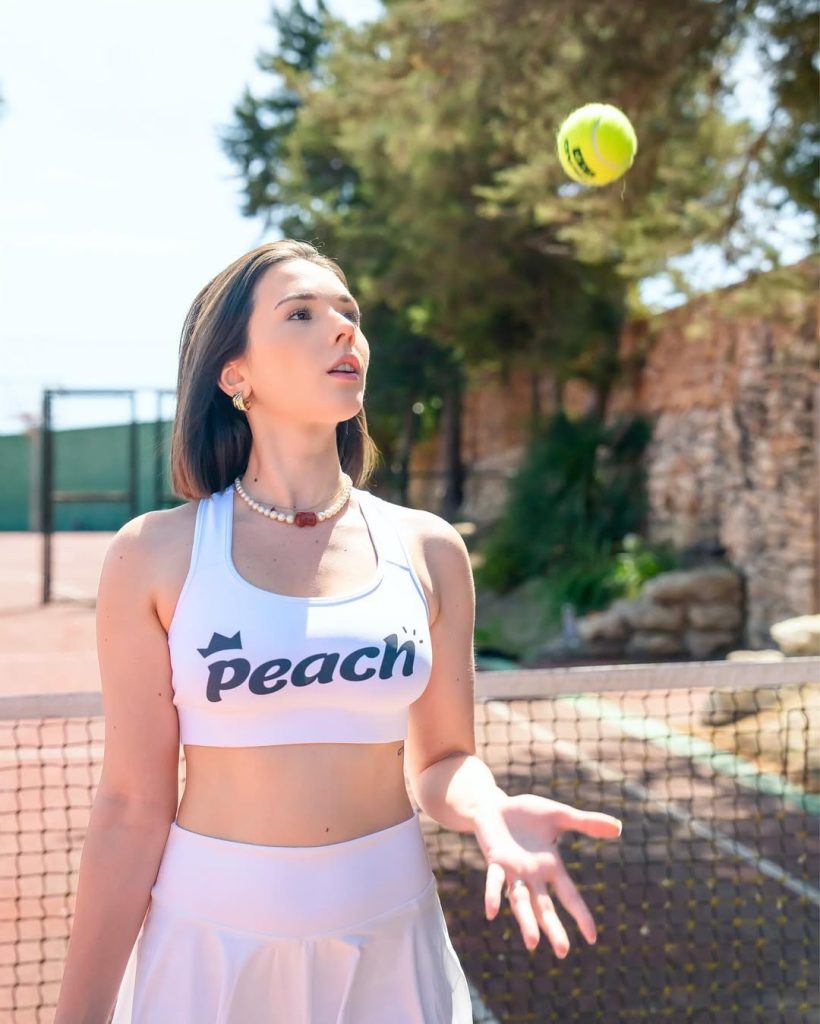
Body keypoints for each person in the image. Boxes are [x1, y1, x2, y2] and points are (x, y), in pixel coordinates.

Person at [53, 239, 622, 1023]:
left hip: (391, 939)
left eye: (349, 313)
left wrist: (486, 806)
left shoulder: (428, 548)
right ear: (235, 374)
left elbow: (445, 760)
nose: (343, 330)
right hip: (212, 947)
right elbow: (129, 806)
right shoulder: (154, 554)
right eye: (302, 314)